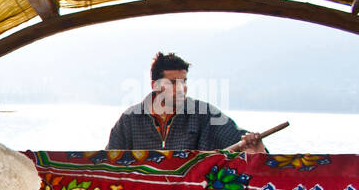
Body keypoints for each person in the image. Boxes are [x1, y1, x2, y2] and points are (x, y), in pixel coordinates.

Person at [107, 52, 267, 153]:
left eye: (184, 82)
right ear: (154, 85)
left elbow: (242, 144)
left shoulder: (205, 115)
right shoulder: (129, 119)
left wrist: (254, 145)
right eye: (173, 82)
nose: (181, 88)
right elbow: (108, 163)